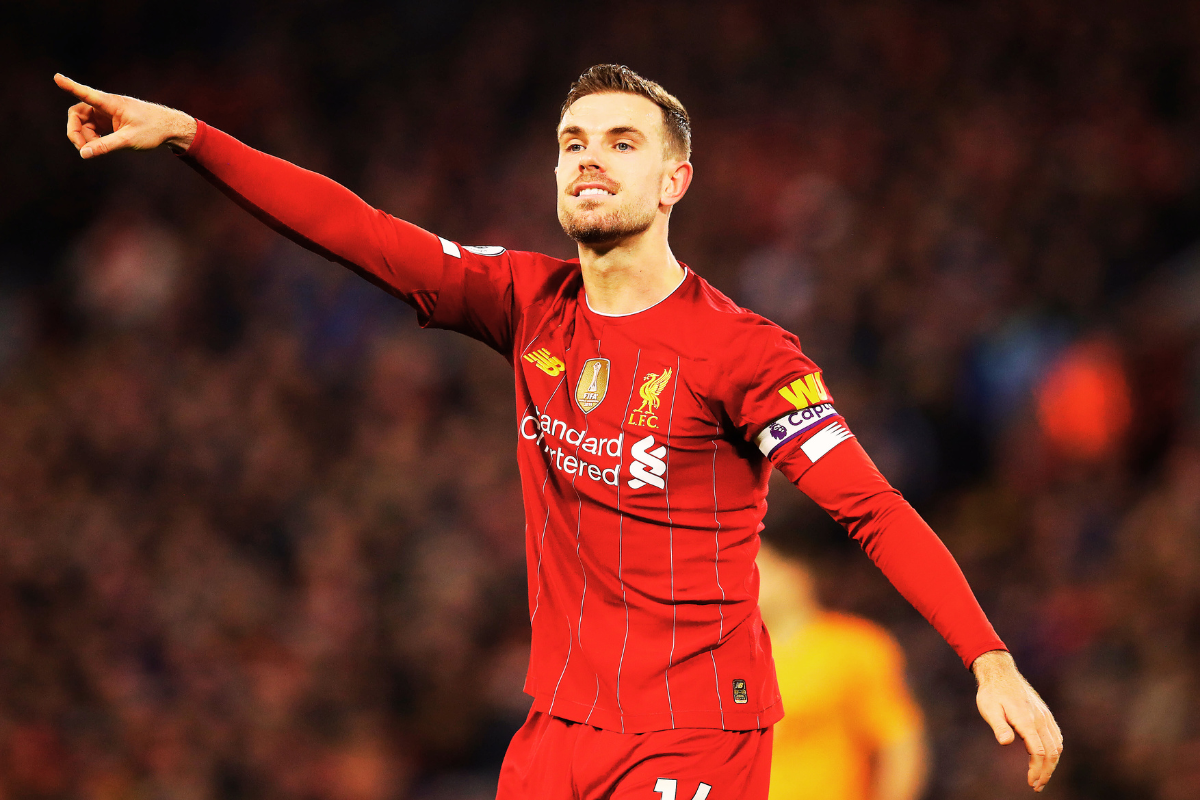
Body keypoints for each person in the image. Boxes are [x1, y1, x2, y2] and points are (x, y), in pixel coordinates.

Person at [55, 64, 1062, 798]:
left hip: (694, 736)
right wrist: (192, 133)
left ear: (675, 181)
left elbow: (871, 507)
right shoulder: (524, 299)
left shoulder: (748, 354)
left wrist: (989, 656)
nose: (591, 157)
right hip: (554, 732)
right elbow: (359, 230)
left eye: (624, 142)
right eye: (574, 140)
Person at [757, 540, 928, 800]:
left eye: (760, 566)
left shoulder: (853, 646)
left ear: (795, 573)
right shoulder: (728, 663)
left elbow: (898, 742)